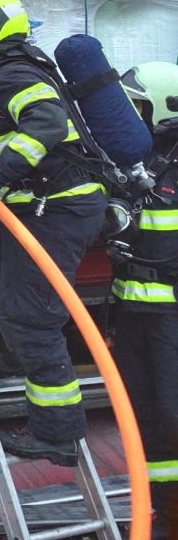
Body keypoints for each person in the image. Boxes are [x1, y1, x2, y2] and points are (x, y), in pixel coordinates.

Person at [0, 0, 107, 466]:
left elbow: (47, 125)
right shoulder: (3, 74)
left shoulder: (11, 71)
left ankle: (57, 436)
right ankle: (18, 342)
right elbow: (0, 120)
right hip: (32, 204)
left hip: (59, 206)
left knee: (31, 319)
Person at [112, 62, 178, 536]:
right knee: (143, 414)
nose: (128, 114)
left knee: (174, 411)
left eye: (137, 104)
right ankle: (156, 509)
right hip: (132, 311)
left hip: (171, 314)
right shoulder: (132, 159)